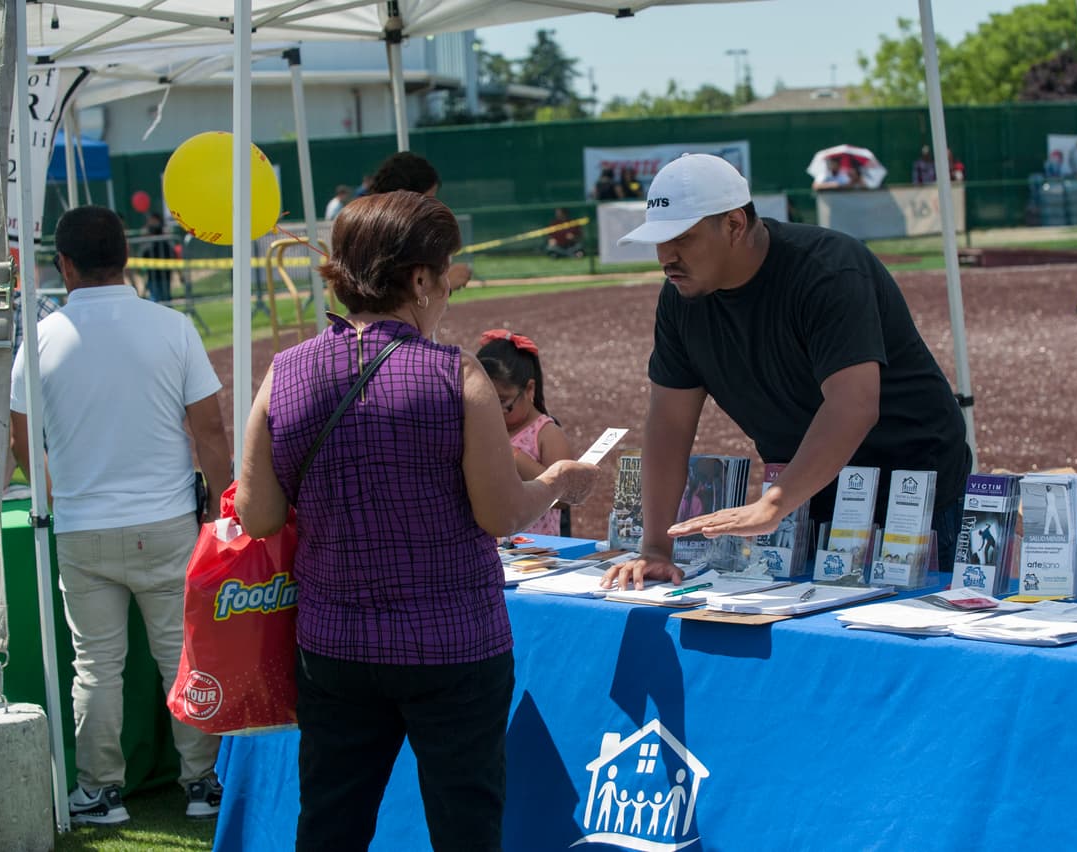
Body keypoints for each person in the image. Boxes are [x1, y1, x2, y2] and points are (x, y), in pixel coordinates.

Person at [234, 191, 598, 851]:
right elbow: (499, 513)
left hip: (333, 645)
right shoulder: (454, 374)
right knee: (466, 829)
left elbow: (258, 515)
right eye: (448, 271)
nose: (452, 287)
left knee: (329, 826)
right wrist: (556, 482)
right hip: (453, 645)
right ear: (421, 278)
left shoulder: (283, 372)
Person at [601, 153, 971, 590]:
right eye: (659, 241)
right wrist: (656, 548)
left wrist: (773, 504)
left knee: (910, 645)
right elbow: (668, 422)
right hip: (807, 497)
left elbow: (853, 405)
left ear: (735, 225)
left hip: (913, 497)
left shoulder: (828, 268)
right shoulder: (680, 299)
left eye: (682, 238)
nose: (666, 257)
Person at [9, 206, 232, 824]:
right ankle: (201, 781)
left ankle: (100, 790)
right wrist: (223, 501)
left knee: (96, 666)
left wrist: (58, 496)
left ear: (65, 263)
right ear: (128, 257)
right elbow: (209, 429)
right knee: (181, 654)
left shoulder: (40, 337)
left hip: (82, 527)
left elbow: (24, 443)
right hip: (166, 522)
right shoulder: (173, 326)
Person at [476, 328, 575, 535]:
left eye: (503, 402)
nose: (494, 411)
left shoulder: (546, 433)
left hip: (537, 550)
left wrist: (510, 453)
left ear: (529, 390)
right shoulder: (478, 429)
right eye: (485, 401)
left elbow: (563, 497)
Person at [367, 152, 473, 292]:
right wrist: (443, 284)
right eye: (428, 199)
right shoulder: (388, 238)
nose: (432, 206)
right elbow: (394, 301)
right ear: (405, 197)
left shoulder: (370, 226)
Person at [140, 213, 177, 304]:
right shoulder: (152, 245)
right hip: (155, 276)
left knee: (161, 299)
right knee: (160, 299)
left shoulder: (162, 243)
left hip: (162, 276)